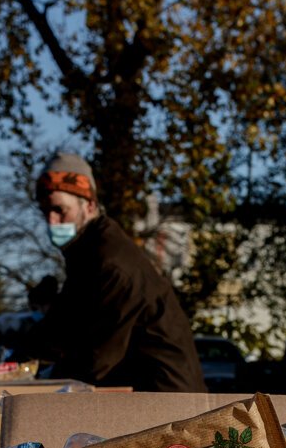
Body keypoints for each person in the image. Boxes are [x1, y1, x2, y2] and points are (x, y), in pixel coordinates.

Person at [24, 152, 206, 391]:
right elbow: (61, 326)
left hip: (169, 402)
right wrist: (23, 361)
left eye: (60, 210)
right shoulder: (87, 255)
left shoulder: (111, 263)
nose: (52, 222)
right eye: (45, 212)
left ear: (88, 205)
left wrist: (42, 380)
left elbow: (97, 357)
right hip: (149, 394)